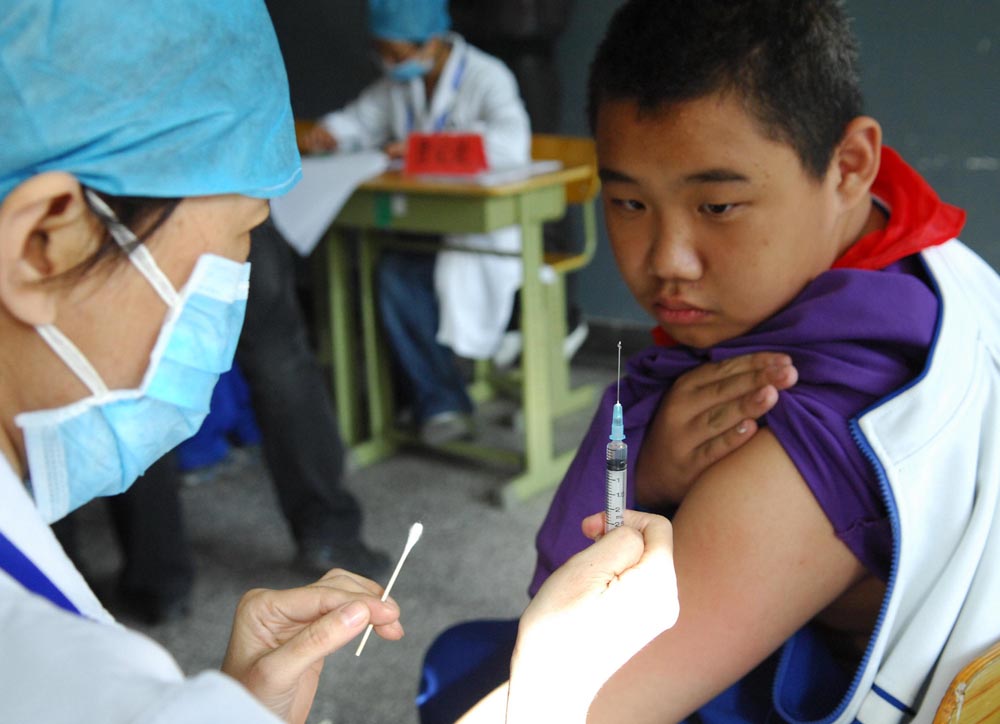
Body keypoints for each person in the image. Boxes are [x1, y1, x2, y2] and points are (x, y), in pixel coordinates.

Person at [0, 1, 682, 721]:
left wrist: (244, 705)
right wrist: (555, 689)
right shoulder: (83, 684)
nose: (242, 286)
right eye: (243, 236)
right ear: (46, 242)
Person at [528, 0, 1000, 721]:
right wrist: (645, 470)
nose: (668, 261)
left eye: (717, 207)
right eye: (627, 203)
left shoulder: (811, 418)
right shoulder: (921, 251)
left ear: (850, 165)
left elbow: (567, 706)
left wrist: (629, 482)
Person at [300, 0, 532, 446]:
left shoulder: (487, 76)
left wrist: (425, 148)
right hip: (426, 227)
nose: (389, 63)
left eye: (396, 53)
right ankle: (432, 398)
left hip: (481, 233)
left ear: (431, 42)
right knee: (390, 271)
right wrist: (332, 132)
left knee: (404, 277)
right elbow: (360, 120)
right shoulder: (397, 84)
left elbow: (510, 145)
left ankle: (440, 397)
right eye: (381, 52)